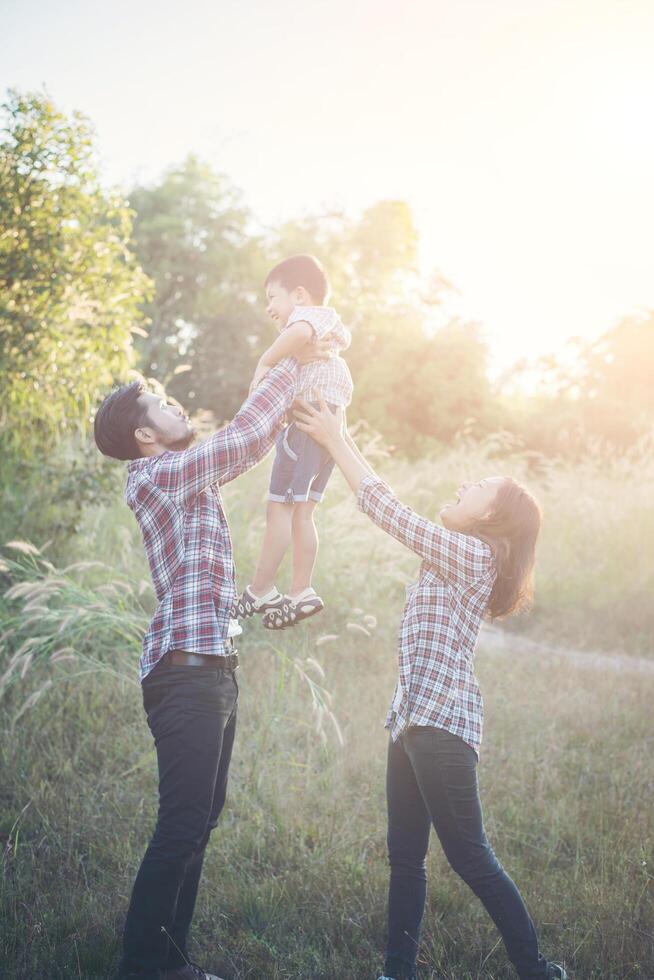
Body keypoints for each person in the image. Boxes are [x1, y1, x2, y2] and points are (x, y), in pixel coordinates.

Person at [293, 399, 568, 980]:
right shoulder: (458, 554)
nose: (463, 484)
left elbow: (391, 513)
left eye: (478, 487)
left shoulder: (472, 556)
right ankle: (398, 972)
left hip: (442, 726)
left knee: (470, 856)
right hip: (412, 721)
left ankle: (537, 970)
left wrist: (338, 440)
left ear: (491, 518)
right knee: (405, 860)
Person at [93, 347, 325, 980]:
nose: (175, 406)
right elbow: (246, 440)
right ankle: (145, 967)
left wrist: (255, 602)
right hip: (186, 672)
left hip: (213, 668)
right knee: (184, 821)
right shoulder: (154, 475)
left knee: (200, 820)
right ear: (145, 435)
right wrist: (289, 365)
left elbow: (206, 576)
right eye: (162, 404)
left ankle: (171, 962)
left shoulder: (184, 479)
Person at [232, 254, 353, 630]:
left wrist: (263, 362)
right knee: (303, 512)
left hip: (304, 427)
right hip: (329, 425)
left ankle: (261, 589)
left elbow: (297, 335)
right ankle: (301, 590)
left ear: (300, 295)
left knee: (278, 511)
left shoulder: (308, 319)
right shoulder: (328, 325)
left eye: (272, 297)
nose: (269, 308)